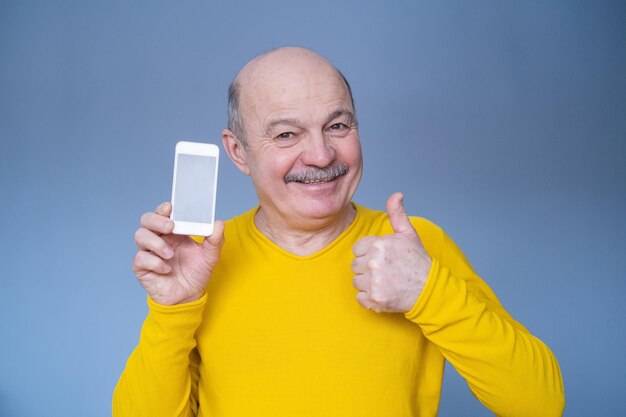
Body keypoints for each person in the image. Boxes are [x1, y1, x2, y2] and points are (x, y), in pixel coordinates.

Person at [113, 47, 564, 417]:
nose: (321, 154)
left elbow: (540, 404)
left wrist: (429, 290)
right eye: (287, 135)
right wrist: (172, 310)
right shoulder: (202, 262)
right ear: (239, 152)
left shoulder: (413, 247)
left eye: (337, 125)